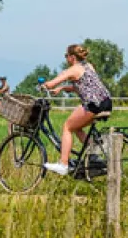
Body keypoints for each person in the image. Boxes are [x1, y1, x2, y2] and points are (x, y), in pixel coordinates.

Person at [40, 44, 113, 176]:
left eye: (66, 56)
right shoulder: (88, 66)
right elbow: (82, 86)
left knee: (67, 127)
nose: (66, 58)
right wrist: (62, 89)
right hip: (106, 102)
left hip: (93, 104)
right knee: (77, 128)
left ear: (72, 57)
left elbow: (51, 83)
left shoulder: (73, 69)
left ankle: (63, 164)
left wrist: (43, 85)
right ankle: (93, 154)